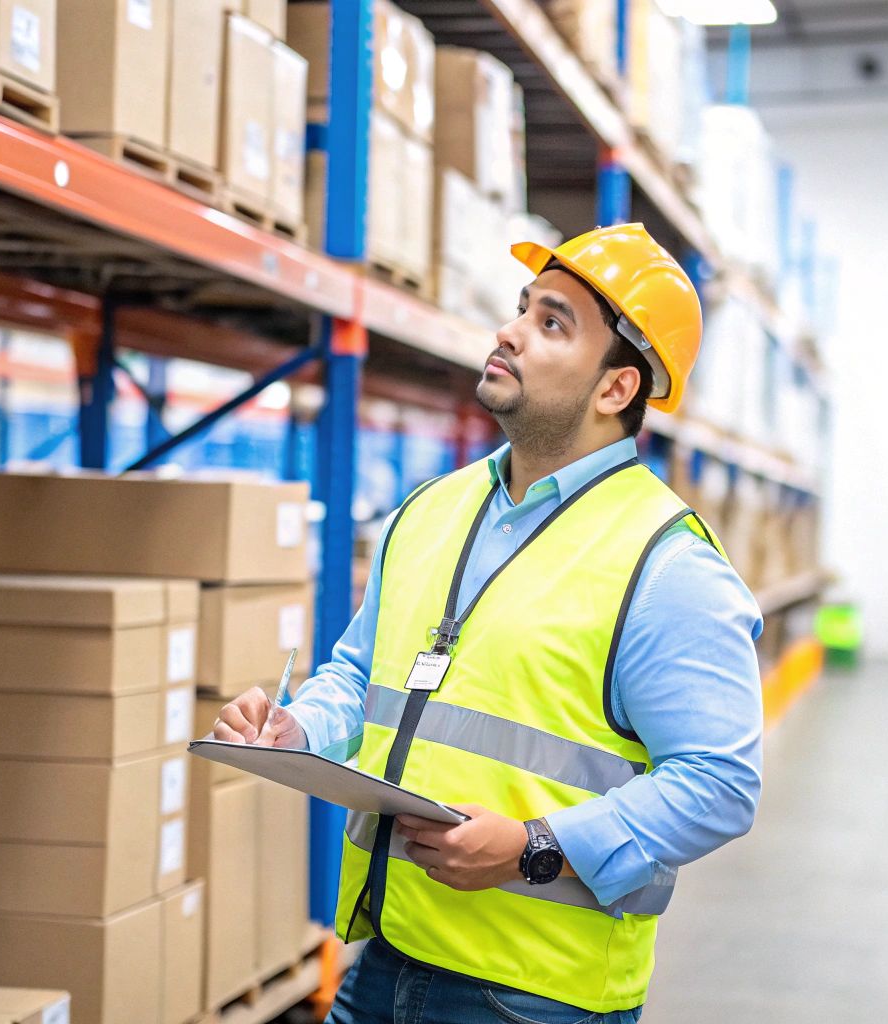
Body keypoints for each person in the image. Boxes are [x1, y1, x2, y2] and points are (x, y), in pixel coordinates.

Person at [215, 223, 764, 1024]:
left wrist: (538, 847)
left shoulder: (666, 565)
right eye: (522, 309)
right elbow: (360, 676)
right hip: (385, 954)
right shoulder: (430, 511)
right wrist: (294, 730)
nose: (509, 332)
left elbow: (721, 783)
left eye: (552, 324)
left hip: (533, 995)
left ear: (615, 389)